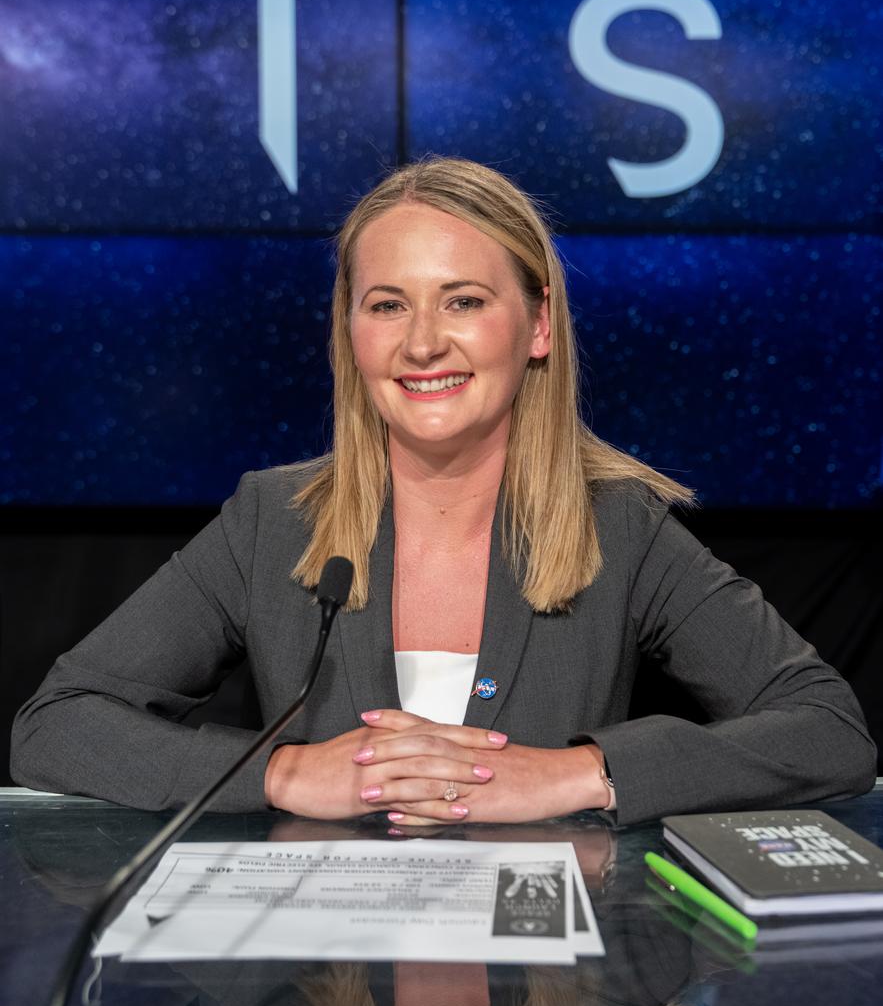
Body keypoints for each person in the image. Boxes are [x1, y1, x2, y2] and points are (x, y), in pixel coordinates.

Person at [10, 158, 877, 826]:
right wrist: (281, 772)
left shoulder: (620, 526)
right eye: (387, 305)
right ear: (350, 331)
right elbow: (57, 724)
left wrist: (578, 773)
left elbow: (827, 730)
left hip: (550, 987)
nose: (422, 343)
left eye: (462, 301)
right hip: (323, 982)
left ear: (537, 324)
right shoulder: (272, 519)